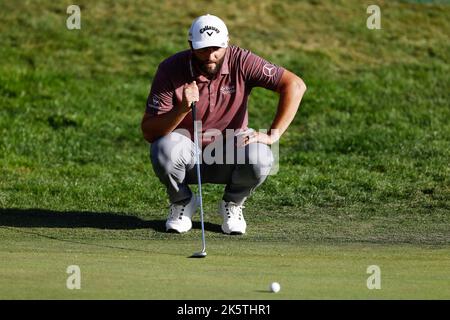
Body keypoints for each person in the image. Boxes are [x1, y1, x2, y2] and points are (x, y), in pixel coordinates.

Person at [141, 14, 306, 235]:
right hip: (187, 153)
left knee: (261, 156)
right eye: (202, 49)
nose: (210, 55)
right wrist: (181, 109)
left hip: (228, 151)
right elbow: (149, 132)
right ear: (190, 45)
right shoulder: (170, 68)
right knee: (162, 149)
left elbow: (294, 85)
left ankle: (233, 204)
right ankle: (182, 201)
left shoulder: (242, 61)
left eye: (216, 48)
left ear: (226, 43)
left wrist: (272, 134)